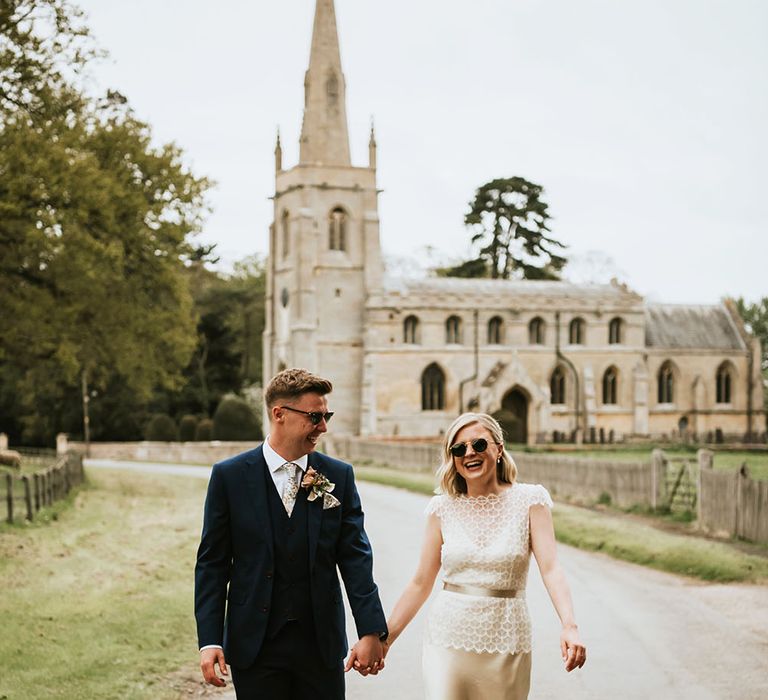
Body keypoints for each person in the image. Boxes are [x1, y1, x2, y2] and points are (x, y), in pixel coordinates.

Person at [194, 368, 388, 699]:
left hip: (320, 646)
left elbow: (355, 557)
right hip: (254, 645)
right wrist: (210, 639)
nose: (323, 427)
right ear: (279, 414)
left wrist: (371, 630)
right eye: (315, 417)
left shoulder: (338, 476)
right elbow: (212, 564)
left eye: (326, 416)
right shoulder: (229, 477)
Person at [383, 412, 586, 699]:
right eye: (459, 448)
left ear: (499, 449)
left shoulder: (531, 500)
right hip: (448, 640)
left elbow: (551, 569)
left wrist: (570, 626)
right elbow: (420, 582)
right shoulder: (441, 508)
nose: (469, 453)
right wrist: (385, 639)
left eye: (479, 444)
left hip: (507, 640)